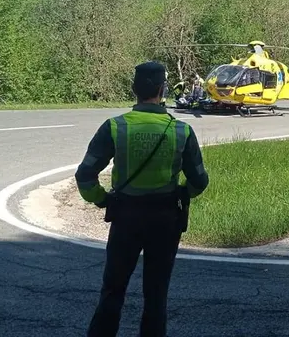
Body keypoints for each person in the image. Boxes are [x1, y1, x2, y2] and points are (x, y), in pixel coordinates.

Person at [74, 61, 209, 337]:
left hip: (125, 217)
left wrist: (102, 200)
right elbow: (199, 181)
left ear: (134, 89)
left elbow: (85, 175)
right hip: (165, 220)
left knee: (113, 289)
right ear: (163, 90)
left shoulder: (115, 127)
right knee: (156, 294)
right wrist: (183, 193)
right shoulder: (181, 131)